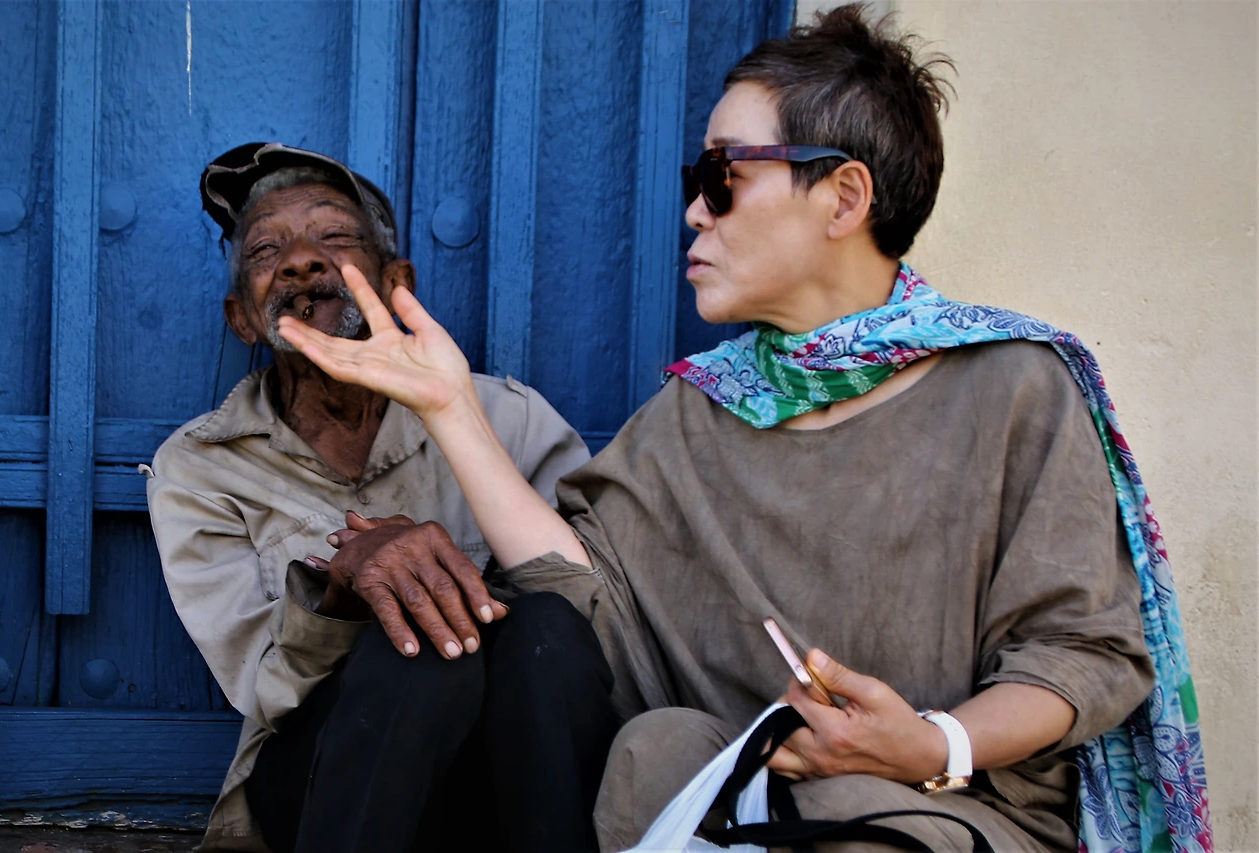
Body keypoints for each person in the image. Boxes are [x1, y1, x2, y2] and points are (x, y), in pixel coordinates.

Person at [280, 7, 1211, 853]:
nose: (694, 208)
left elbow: (1082, 653)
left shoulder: (1014, 384)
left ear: (844, 198)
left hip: (945, 816)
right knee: (643, 744)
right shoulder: (703, 408)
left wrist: (933, 743)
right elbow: (587, 599)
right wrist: (450, 406)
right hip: (734, 803)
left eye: (722, 176)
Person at [145, 142, 619, 853]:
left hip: (502, 783)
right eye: (266, 249)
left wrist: (453, 595)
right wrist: (343, 589)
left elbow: (596, 624)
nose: (301, 261)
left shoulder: (506, 419)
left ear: (397, 283)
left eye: (335, 237)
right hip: (324, 783)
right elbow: (264, 686)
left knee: (543, 623)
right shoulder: (201, 466)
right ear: (241, 317)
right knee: (414, 651)